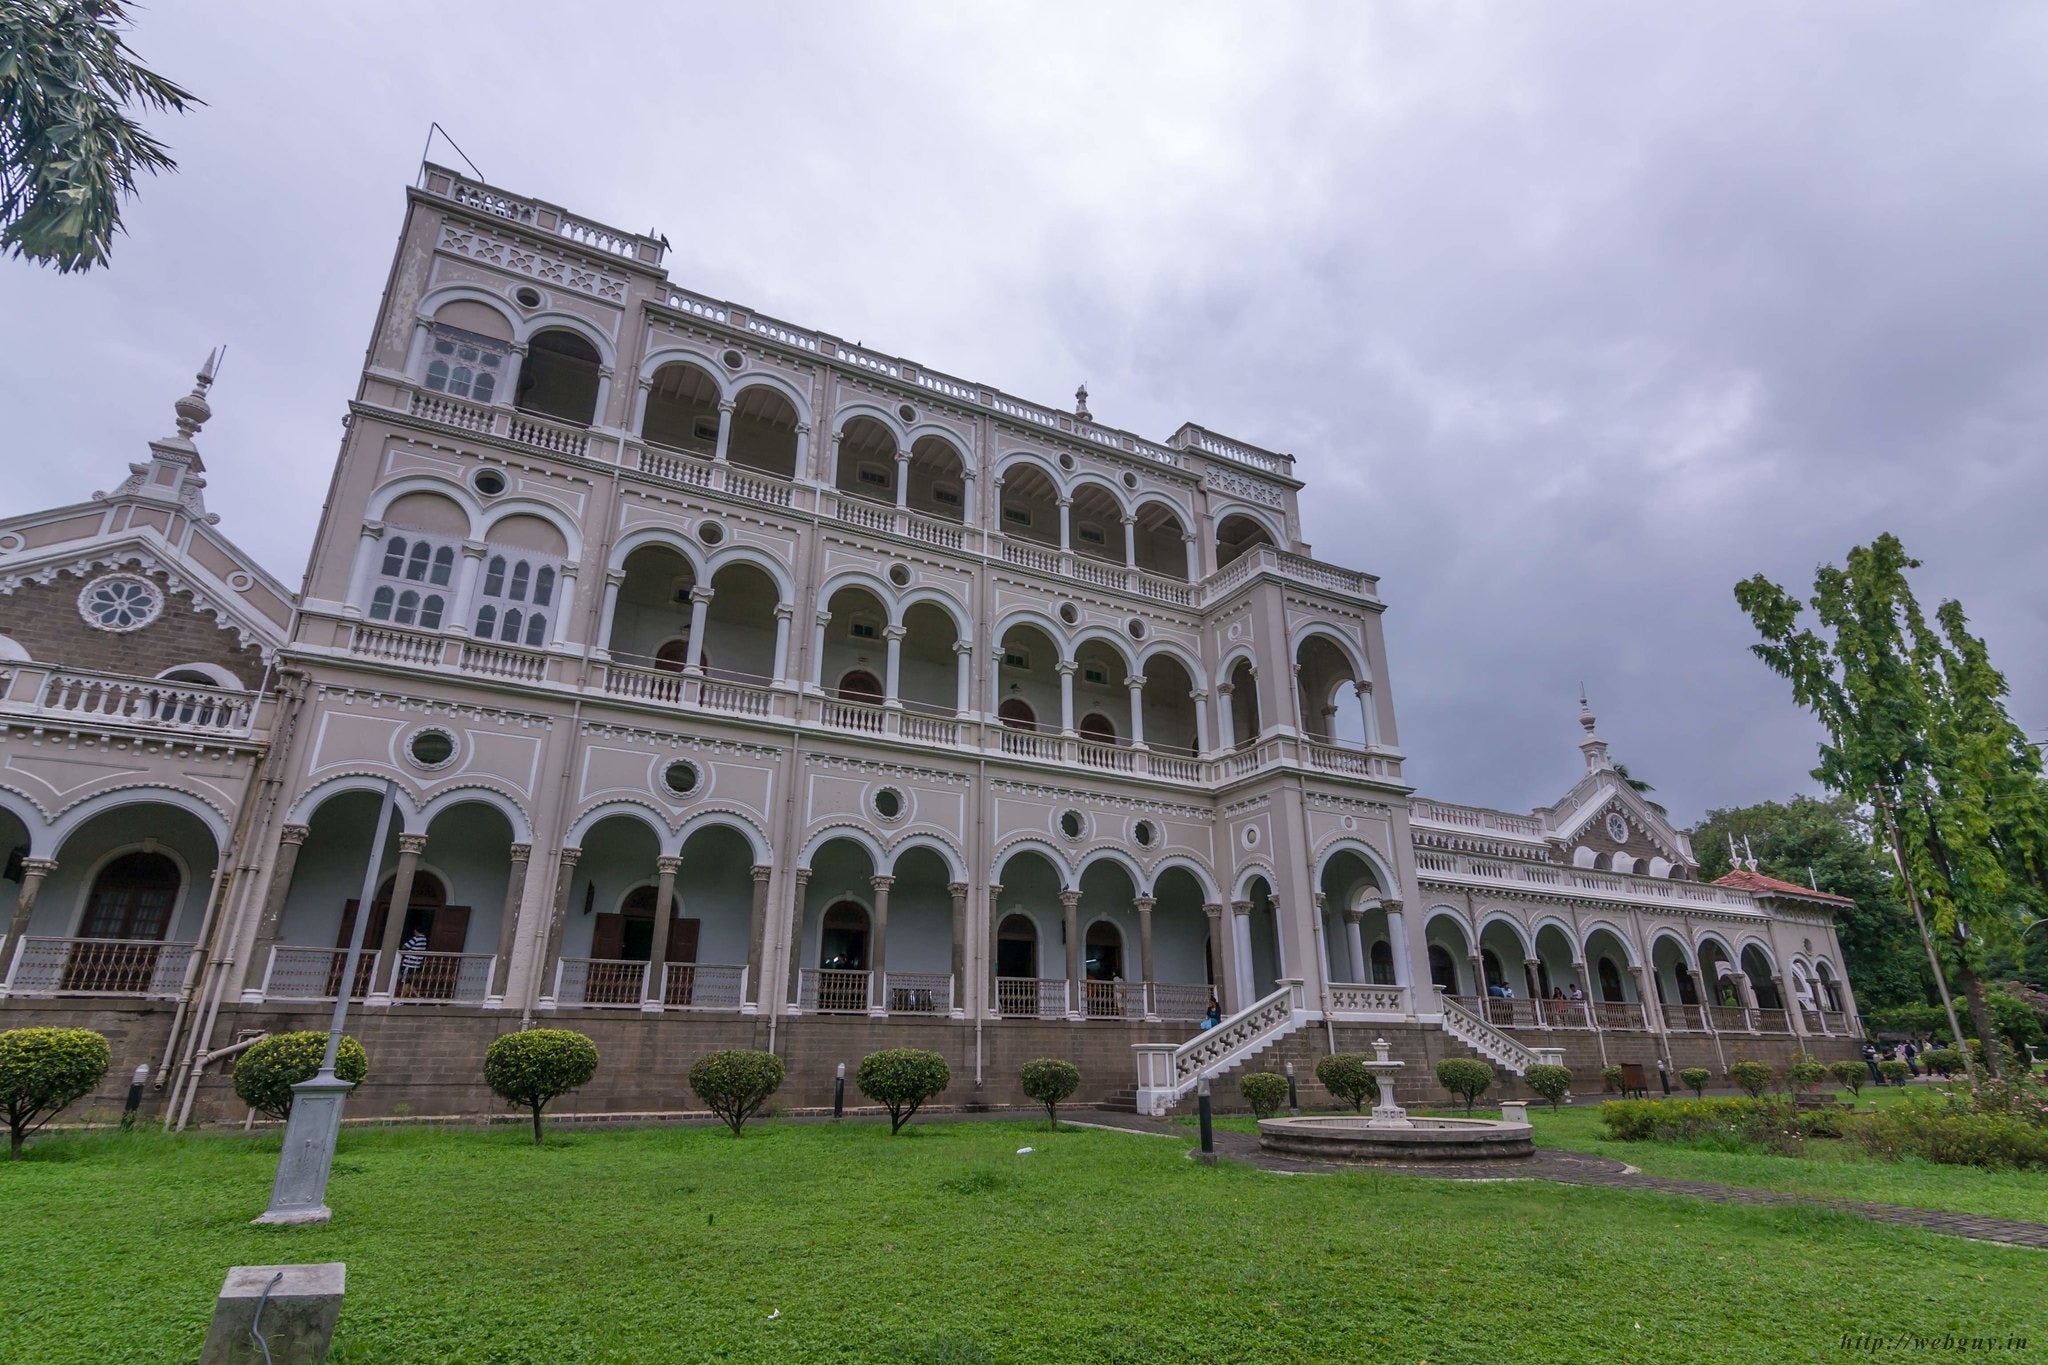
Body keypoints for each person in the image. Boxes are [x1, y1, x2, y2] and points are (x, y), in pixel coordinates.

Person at [399, 926, 428, 996]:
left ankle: (400, 999)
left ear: (416, 931)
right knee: (409, 981)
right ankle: (418, 997)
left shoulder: (416, 938)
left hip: (409, 963)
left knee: (406, 981)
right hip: (416, 963)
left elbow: (404, 947)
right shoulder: (424, 939)